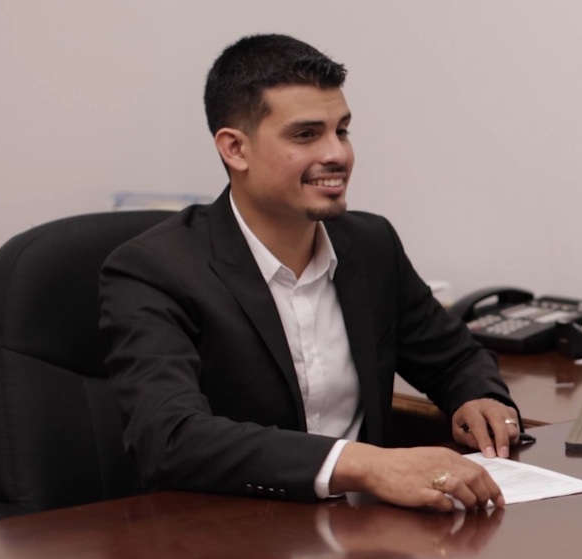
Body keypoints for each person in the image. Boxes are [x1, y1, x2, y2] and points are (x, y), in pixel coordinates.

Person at [100, 34, 517, 512]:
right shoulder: (153, 269)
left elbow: (453, 358)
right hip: (221, 547)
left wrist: (478, 396)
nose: (337, 154)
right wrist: (367, 465)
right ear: (236, 149)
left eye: (342, 130)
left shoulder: (370, 244)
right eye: (306, 135)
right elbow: (170, 436)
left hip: (360, 545)